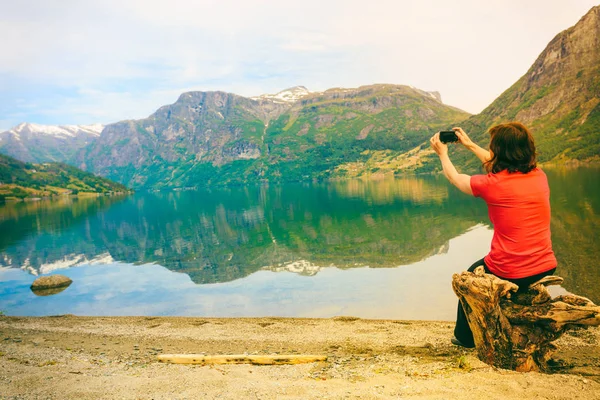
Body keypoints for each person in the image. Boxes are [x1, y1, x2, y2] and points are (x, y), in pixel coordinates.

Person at [430, 122, 557, 348]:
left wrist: (443, 154)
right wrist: (469, 145)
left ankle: (465, 338)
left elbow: (455, 178)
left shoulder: (493, 184)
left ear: (499, 152)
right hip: (546, 264)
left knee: (469, 277)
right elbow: (498, 163)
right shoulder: (539, 175)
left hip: (512, 269)